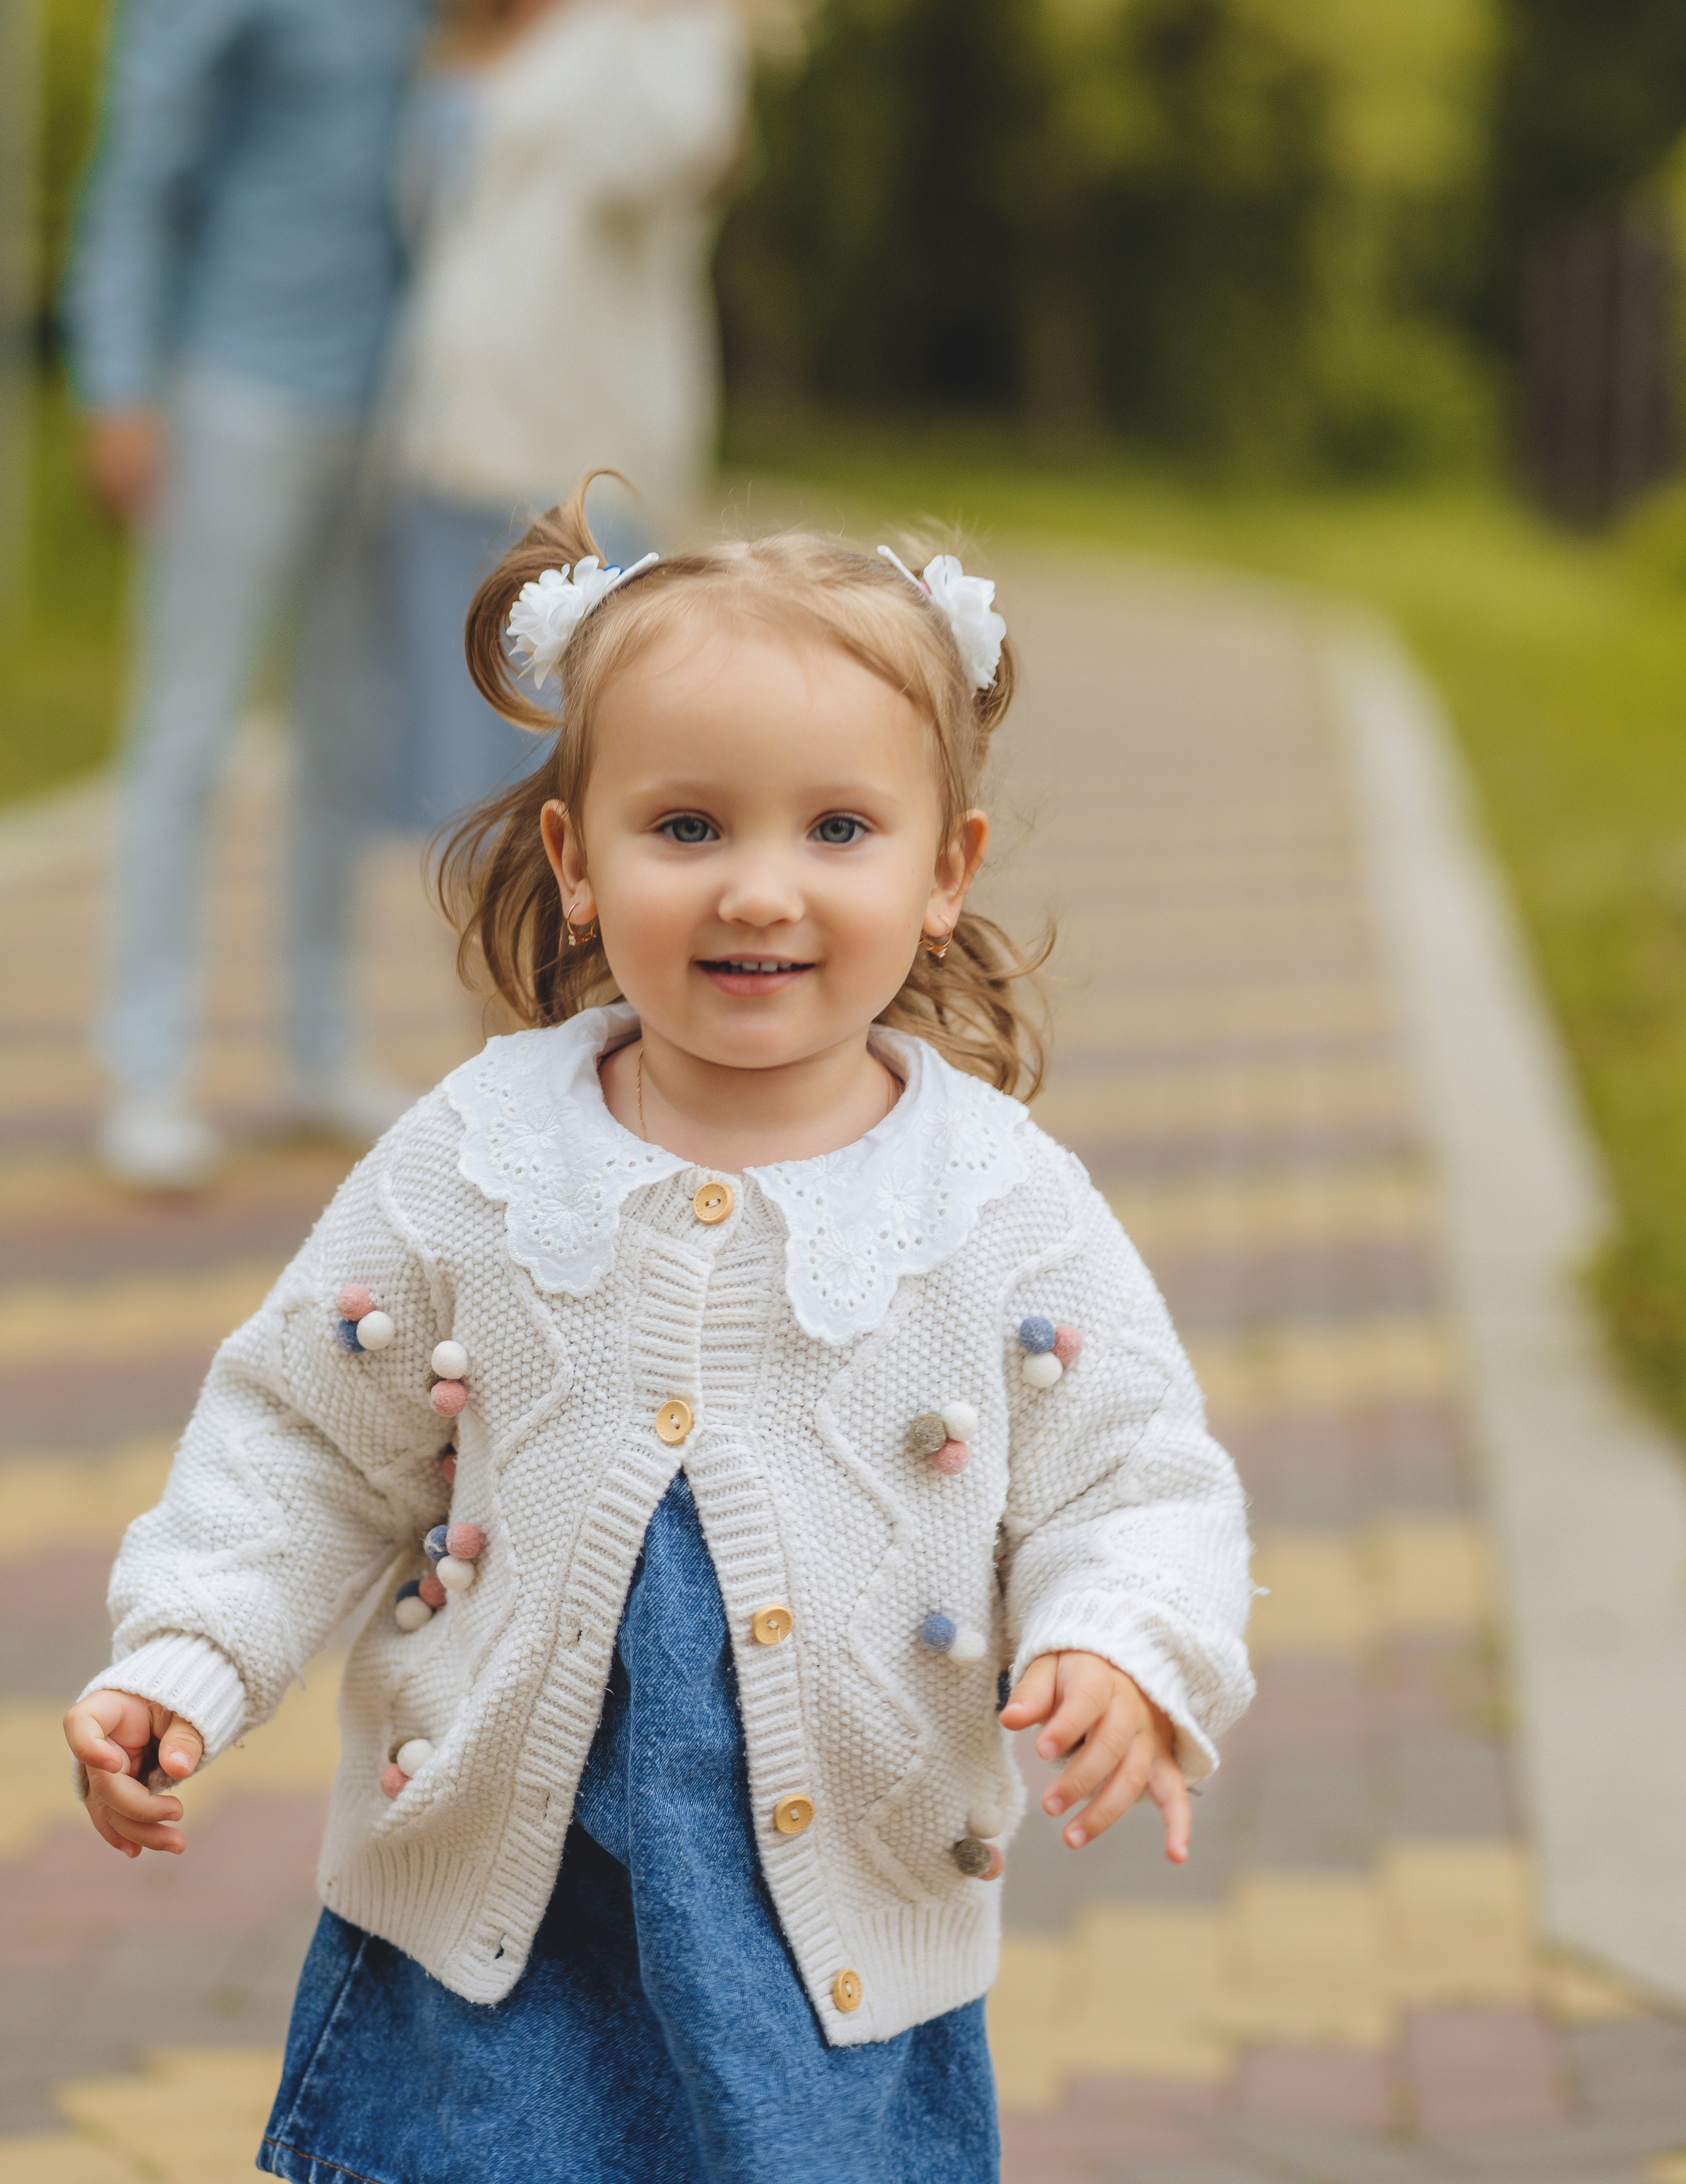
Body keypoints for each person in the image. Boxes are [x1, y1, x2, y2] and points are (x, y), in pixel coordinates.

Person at [62, 496, 1254, 2183]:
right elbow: (306, 1438)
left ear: (943, 873)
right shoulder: (479, 1155)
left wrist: (1125, 1638)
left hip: (831, 1945)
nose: (758, 890)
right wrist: (190, 1651)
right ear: (571, 863)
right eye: (685, 825)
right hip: (500, 1932)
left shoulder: (999, 1205)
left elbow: (1131, 1474)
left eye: (838, 828)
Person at [63, 0, 458, 1190]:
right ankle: (147, 1070)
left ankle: (313, 1041)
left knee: (350, 735)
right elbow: (136, 178)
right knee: (189, 732)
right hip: (235, 389)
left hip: (391, 409)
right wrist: (119, 388)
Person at [384, 0, 798, 828]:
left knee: (576, 805)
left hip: (577, 470)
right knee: (464, 812)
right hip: (445, 448)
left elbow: (663, 158)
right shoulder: (469, 20)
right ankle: (493, 1010)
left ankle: (587, 1008)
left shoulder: (669, 16)